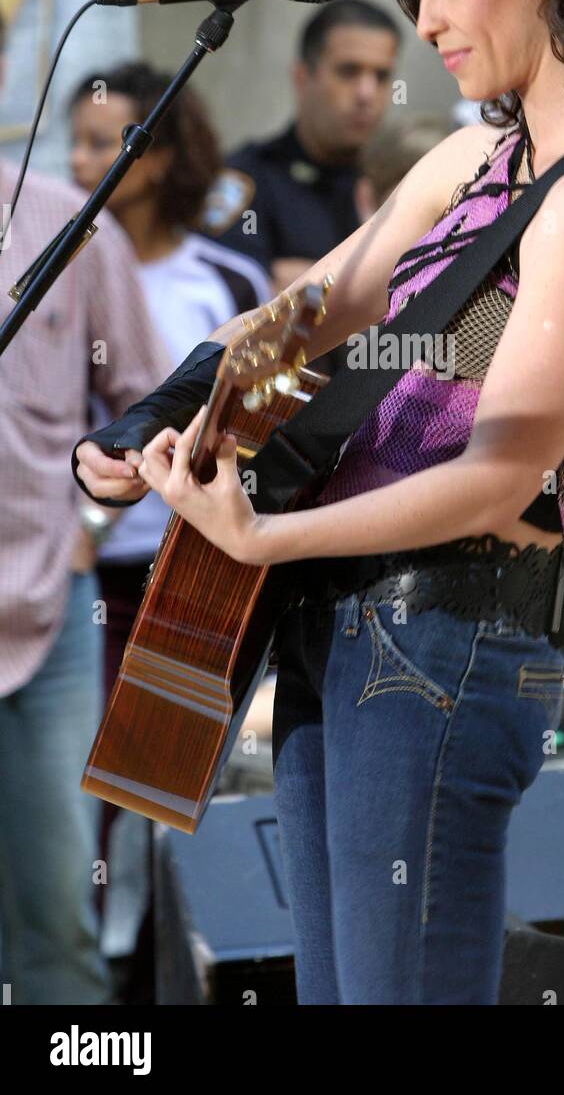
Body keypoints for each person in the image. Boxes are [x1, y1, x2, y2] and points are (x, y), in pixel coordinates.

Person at [72, 0, 564, 1004]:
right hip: (344, 623)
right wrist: (148, 412)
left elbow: (498, 473)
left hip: (446, 640)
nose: (426, 23)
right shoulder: (474, 162)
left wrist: (263, 535)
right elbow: (314, 311)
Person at [68, 61, 271, 1001]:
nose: (83, 160)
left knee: (167, 786)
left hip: (189, 563)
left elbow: (259, 403)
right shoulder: (51, 263)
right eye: (74, 140)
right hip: (85, 577)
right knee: (91, 789)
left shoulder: (223, 274)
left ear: (163, 147)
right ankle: (99, 977)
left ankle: (156, 979)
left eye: (106, 140)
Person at [0, 18, 168, 1005]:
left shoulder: (69, 223)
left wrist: (88, 533)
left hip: (49, 615)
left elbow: (144, 402)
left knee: (60, 906)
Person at [199, 0, 401, 297]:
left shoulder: (400, 178)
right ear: (302, 77)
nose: (366, 93)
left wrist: (312, 282)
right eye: (348, 72)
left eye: (381, 76)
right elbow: (229, 295)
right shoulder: (248, 178)